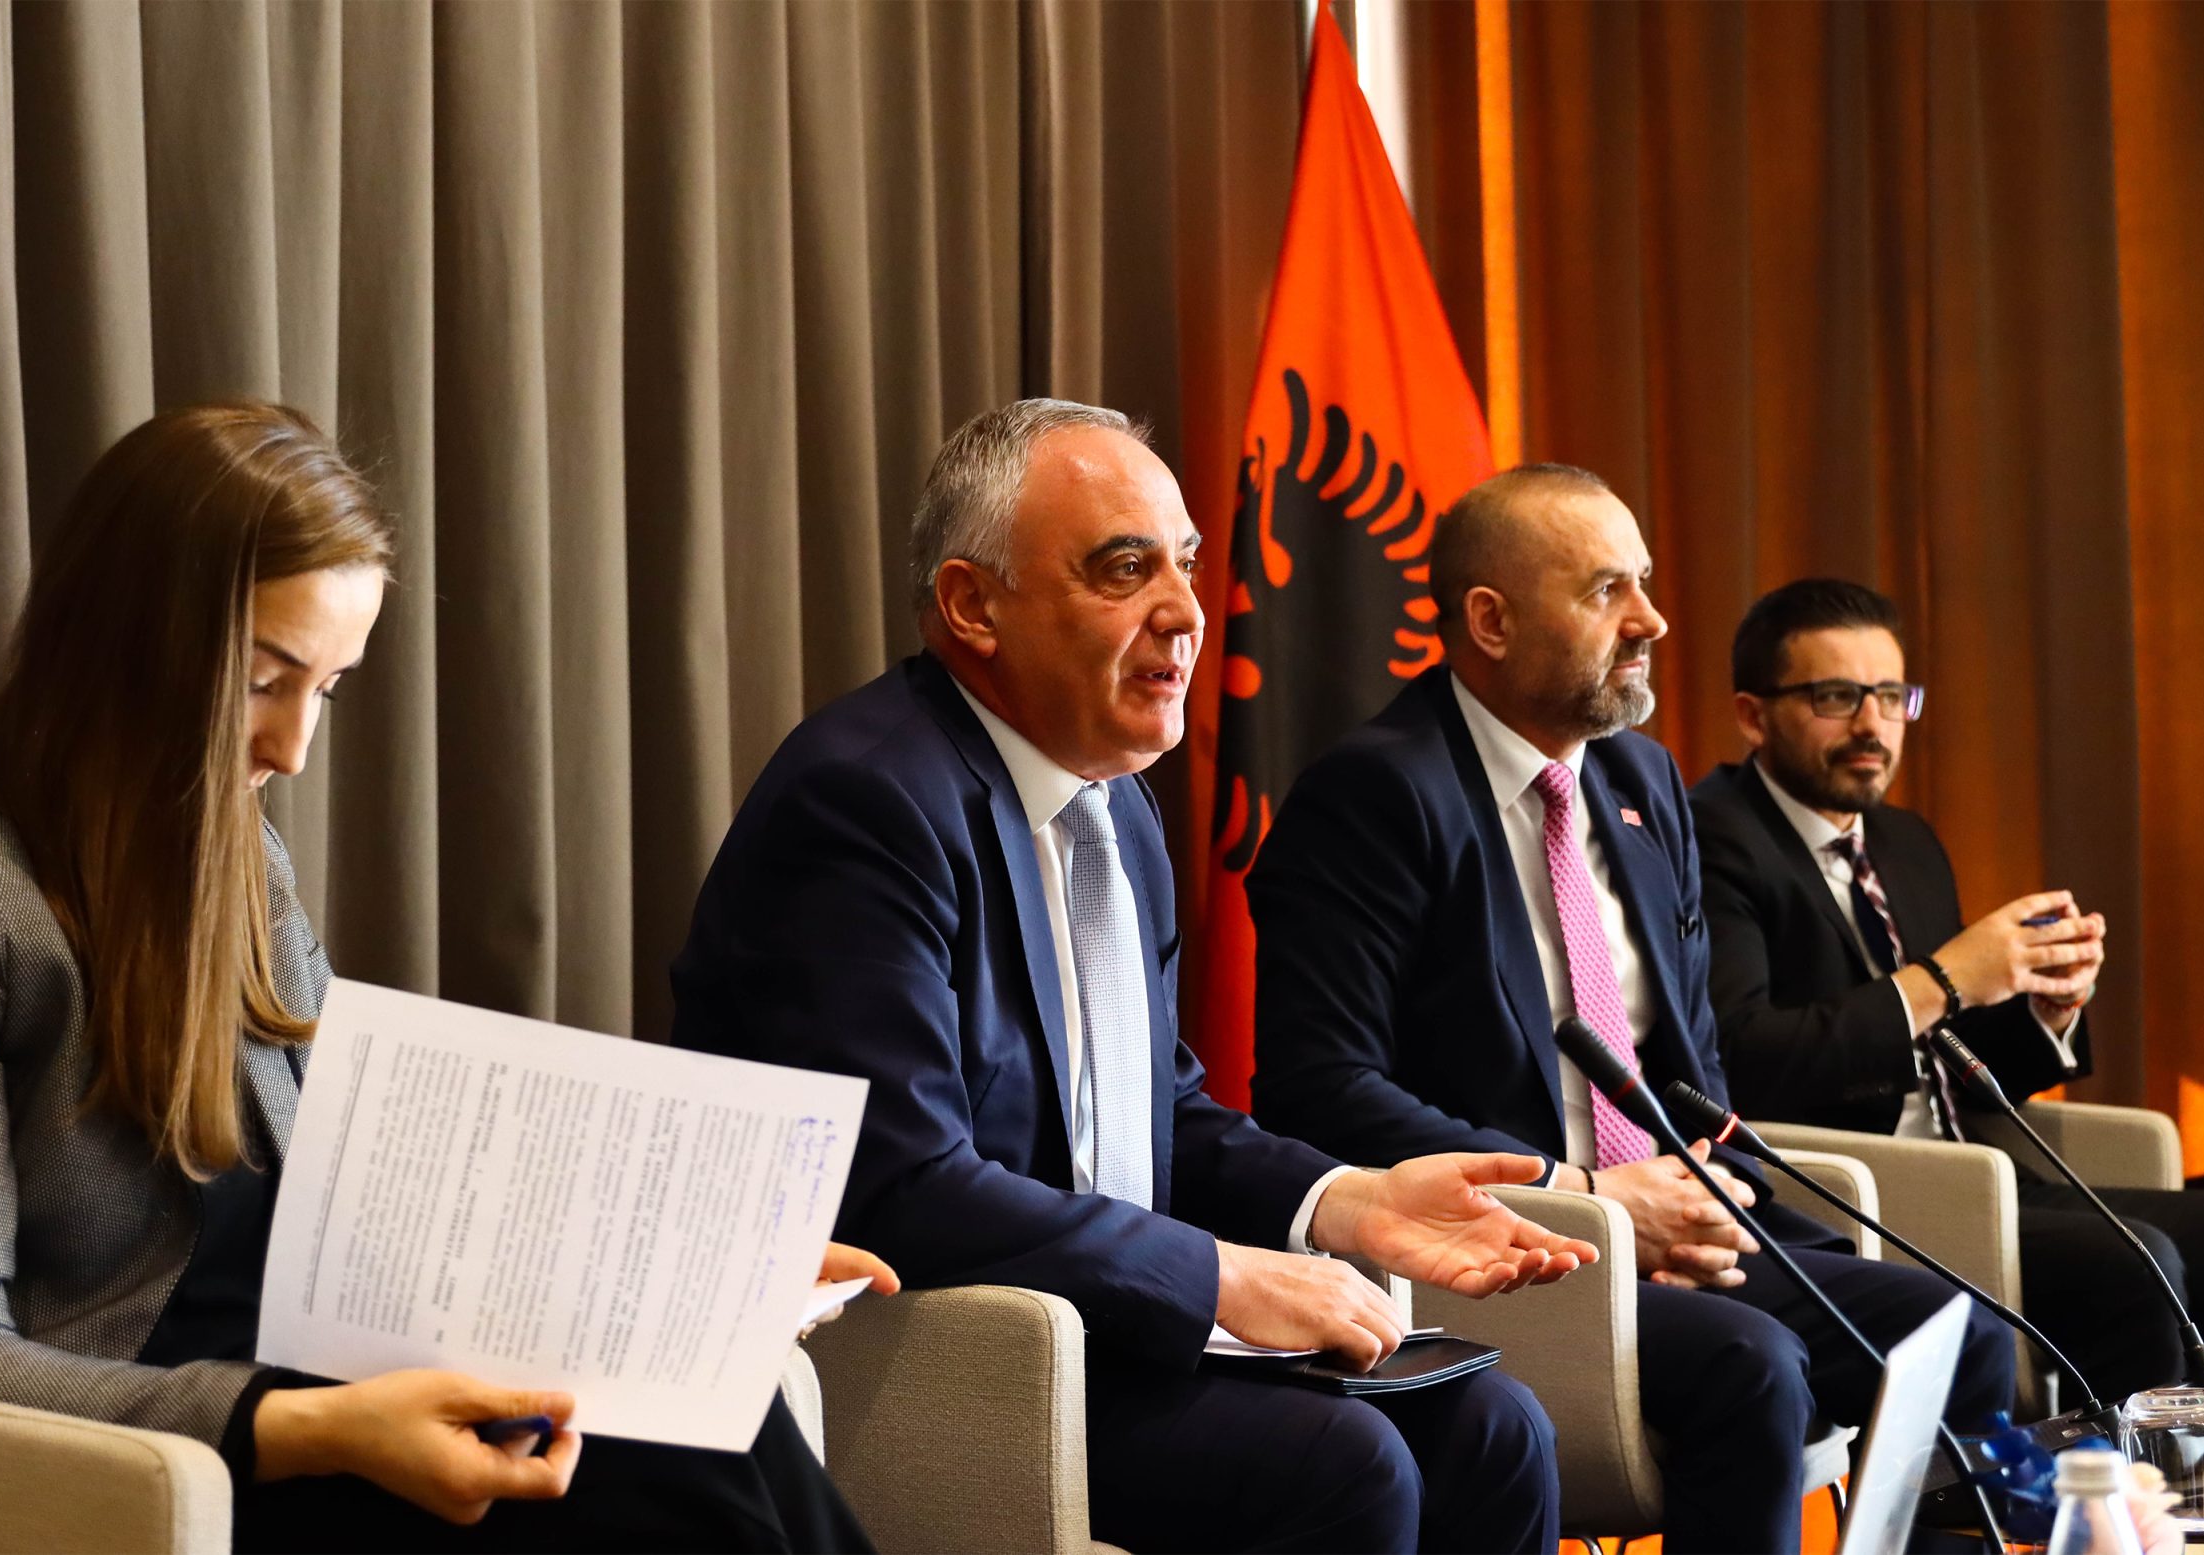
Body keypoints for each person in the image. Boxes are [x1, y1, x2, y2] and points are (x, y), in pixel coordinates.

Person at [0, 403, 883, 1554]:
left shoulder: (235, 853)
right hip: (171, 1453)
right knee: (652, 1477)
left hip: (326, 1379)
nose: (292, 749)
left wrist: (676, 1266)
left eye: (324, 688)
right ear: (123, 642)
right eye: (263, 680)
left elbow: (372, 1177)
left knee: (705, 1423)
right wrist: (313, 1426)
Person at [671, 400, 1599, 1555]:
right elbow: (898, 1184)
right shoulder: (866, 801)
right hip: (950, 1359)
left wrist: (1342, 1200)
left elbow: (1161, 1110)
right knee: (1342, 1464)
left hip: (1103, 1322)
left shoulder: (1116, 808)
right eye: (1124, 570)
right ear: (972, 606)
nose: (1185, 613)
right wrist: (1214, 1275)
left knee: (1497, 1430)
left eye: (1186, 565)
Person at [1245, 464, 2018, 1555]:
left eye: (1644, 582)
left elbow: (1687, 1057)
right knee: (1753, 1364)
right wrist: (1594, 1200)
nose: (1650, 619)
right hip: (1504, 1247)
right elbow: (1319, 1090)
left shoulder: (1641, 780)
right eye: (1608, 590)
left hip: (1665, 1217)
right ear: (1491, 620)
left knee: (1960, 1329)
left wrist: (1696, 1194)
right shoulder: (1376, 794)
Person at [1688, 577, 2204, 1403]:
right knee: (2135, 1261)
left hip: (1983, 1169)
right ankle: (2121, 1484)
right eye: (1836, 697)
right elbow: (1747, 1058)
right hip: (1861, 1190)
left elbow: (1952, 1060)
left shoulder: (1904, 841)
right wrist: (1947, 977)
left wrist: (2043, 1010)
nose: (1872, 725)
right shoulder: (1712, 839)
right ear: (1753, 715)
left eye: (1891, 696)